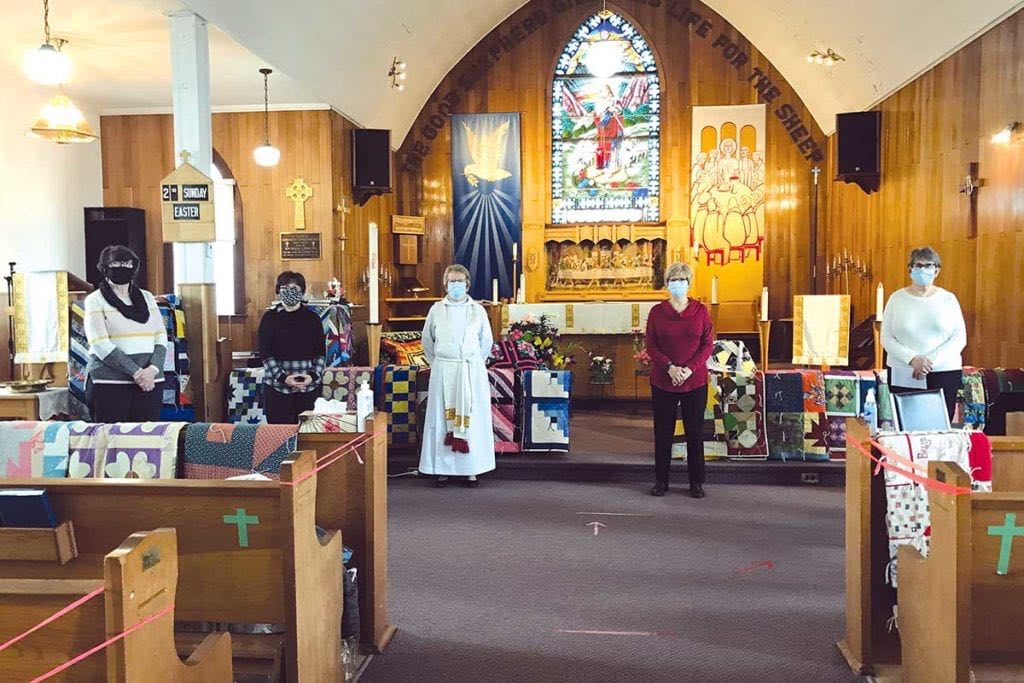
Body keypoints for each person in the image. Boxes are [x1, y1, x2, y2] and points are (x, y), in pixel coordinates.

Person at [418, 264, 495, 488]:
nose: (455, 286)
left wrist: (471, 363)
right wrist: (441, 363)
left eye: (459, 282)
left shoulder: (477, 311)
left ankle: (471, 470)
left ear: (467, 284)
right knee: (442, 419)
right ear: (445, 284)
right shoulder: (436, 310)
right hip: (444, 369)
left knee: (472, 418)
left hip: (470, 370)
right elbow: (427, 342)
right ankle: (441, 469)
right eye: (451, 282)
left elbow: (486, 342)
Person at [645, 262, 714, 498]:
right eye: (673, 281)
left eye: (682, 281)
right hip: (663, 380)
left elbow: (707, 344)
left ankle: (696, 482)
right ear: (667, 284)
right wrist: (670, 367)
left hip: (694, 381)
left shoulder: (700, 311)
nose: (678, 285)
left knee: (694, 431)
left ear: (689, 283)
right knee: (662, 431)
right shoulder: (657, 312)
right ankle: (661, 481)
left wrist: (689, 369)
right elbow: (651, 346)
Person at [83, 245, 167, 422]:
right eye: (116, 264)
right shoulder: (94, 300)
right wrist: (137, 373)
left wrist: (152, 370)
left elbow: (161, 337)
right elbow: (99, 344)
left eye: (127, 264)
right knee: (111, 441)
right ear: (105, 268)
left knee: (146, 442)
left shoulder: (148, 297)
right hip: (109, 384)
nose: (122, 268)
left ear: (134, 268)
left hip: (150, 383)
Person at [881, 246, 967, 420]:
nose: (923, 269)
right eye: (918, 265)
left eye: (928, 266)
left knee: (939, 424)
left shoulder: (948, 299)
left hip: (943, 371)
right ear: (910, 269)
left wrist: (929, 362)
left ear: (936, 271)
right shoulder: (896, 298)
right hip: (904, 371)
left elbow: (959, 337)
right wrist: (913, 359)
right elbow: (886, 337)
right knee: (907, 423)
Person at [258, 271, 325, 424]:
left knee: (307, 437)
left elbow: (321, 353)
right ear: (278, 291)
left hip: (308, 387)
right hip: (277, 388)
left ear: (302, 291)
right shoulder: (269, 318)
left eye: (294, 288)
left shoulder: (313, 319)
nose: (290, 292)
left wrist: (313, 376)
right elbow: (265, 353)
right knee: (279, 437)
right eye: (285, 288)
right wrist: (283, 378)